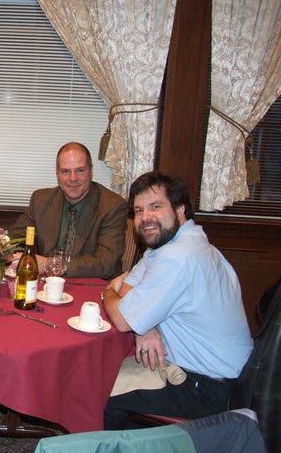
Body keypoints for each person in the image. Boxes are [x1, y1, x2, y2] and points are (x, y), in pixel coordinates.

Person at [102, 171, 253, 429]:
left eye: (155, 207)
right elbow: (130, 289)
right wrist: (147, 325)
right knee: (111, 371)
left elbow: (122, 318)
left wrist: (108, 291)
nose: (145, 217)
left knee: (100, 395)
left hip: (209, 387)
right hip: (221, 376)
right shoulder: (176, 245)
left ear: (180, 210)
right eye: (138, 210)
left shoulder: (178, 258)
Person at [10, 142, 127, 279]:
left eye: (80, 170)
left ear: (91, 171)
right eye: (65, 171)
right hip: (46, 284)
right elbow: (12, 238)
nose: (73, 178)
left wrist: (50, 264)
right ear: (57, 174)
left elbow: (106, 263)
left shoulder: (112, 205)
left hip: (92, 284)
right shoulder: (41, 200)